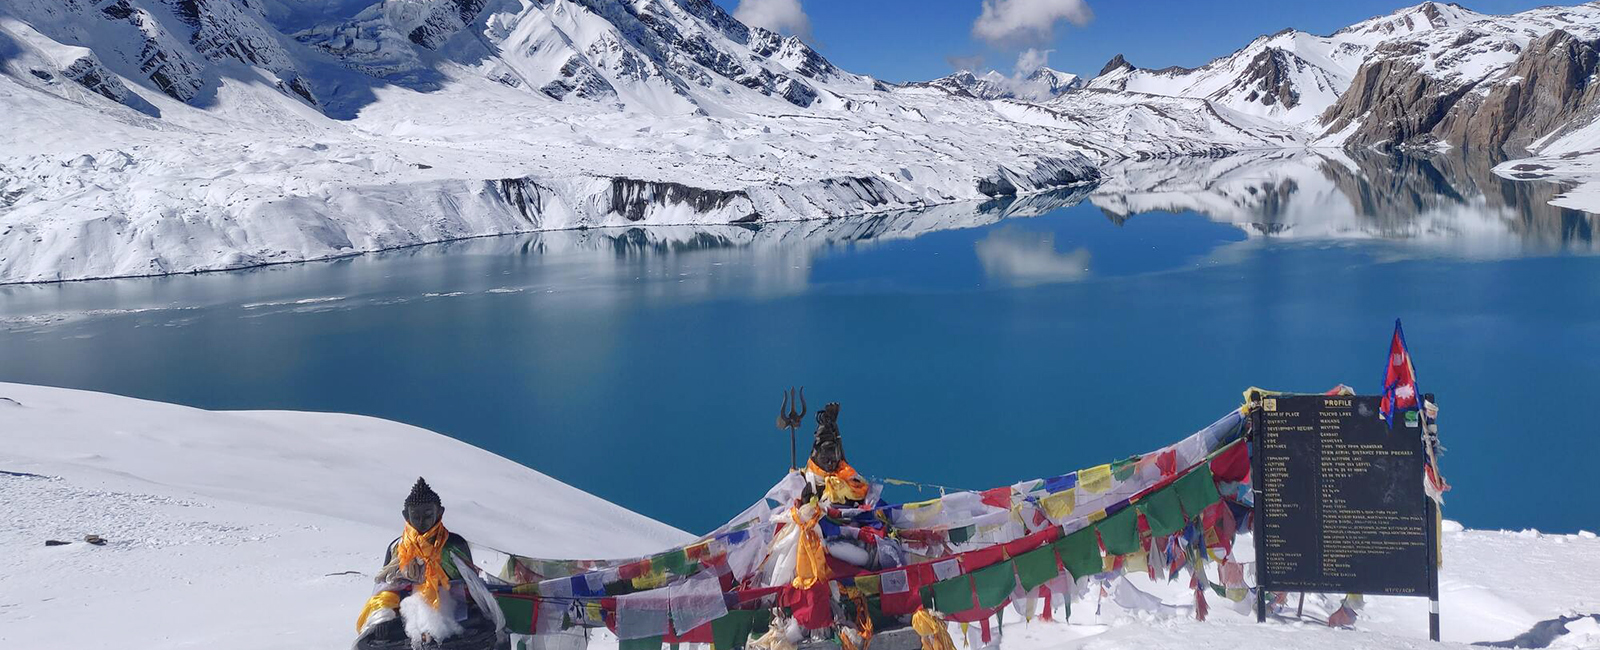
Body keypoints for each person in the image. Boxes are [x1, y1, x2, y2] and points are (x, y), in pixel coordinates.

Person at [356, 478, 505, 650]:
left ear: (440, 512)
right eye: (415, 516)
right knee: (372, 640)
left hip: (454, 611)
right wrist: (383, 616)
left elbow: (471, 586)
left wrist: (476, 607)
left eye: (428, 515)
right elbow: (386, 587)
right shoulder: (398, 548)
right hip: (408, 613)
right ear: (406, 516)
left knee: (485, 627)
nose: (422, 521)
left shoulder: (454, 544)